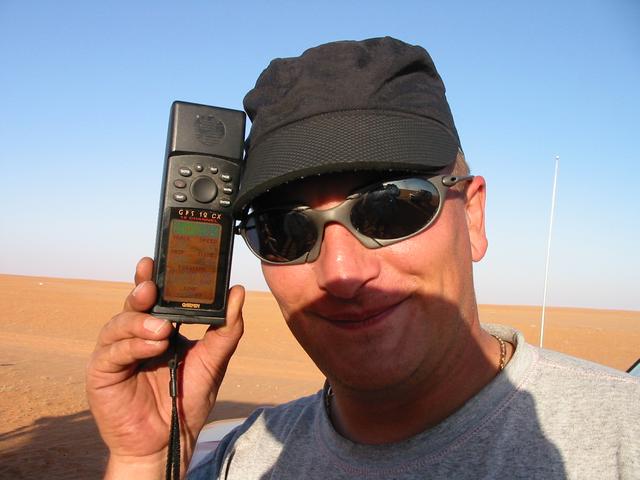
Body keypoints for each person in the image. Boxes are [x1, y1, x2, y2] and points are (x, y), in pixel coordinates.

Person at [86, 37, 640, 479]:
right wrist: (144, 461)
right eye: (284, 230)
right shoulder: (238, 461)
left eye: (391, 207)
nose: (342, 272)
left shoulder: (621, 440)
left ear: (472, 217)